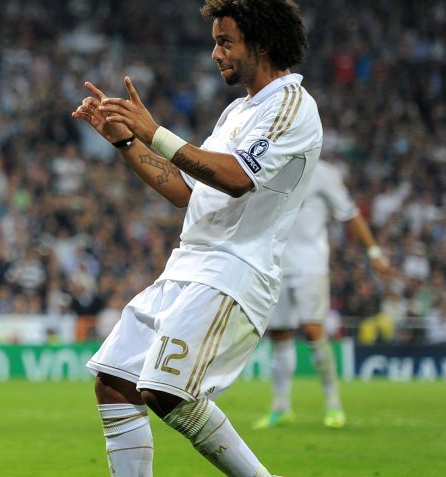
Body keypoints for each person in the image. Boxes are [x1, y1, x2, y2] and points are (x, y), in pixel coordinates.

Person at [71, 0, 318, 475]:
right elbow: (185, 191)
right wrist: (125, 139)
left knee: (167, 392)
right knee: (114, 383)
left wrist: (154, 132)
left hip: (233, 272)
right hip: (187, 265)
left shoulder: (291, 105)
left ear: (262, 44)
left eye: (225, 42)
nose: (215, 54)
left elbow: (237, 178)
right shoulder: (238, 112)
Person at [253, 159, 390, 430]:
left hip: (310, 264)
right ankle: (281, 407)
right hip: (274, 264)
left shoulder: (323, 172)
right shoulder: (270, 164)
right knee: (280, 335)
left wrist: (374, 252)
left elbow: (349, 212)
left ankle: (333, 404)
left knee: (313, 331)